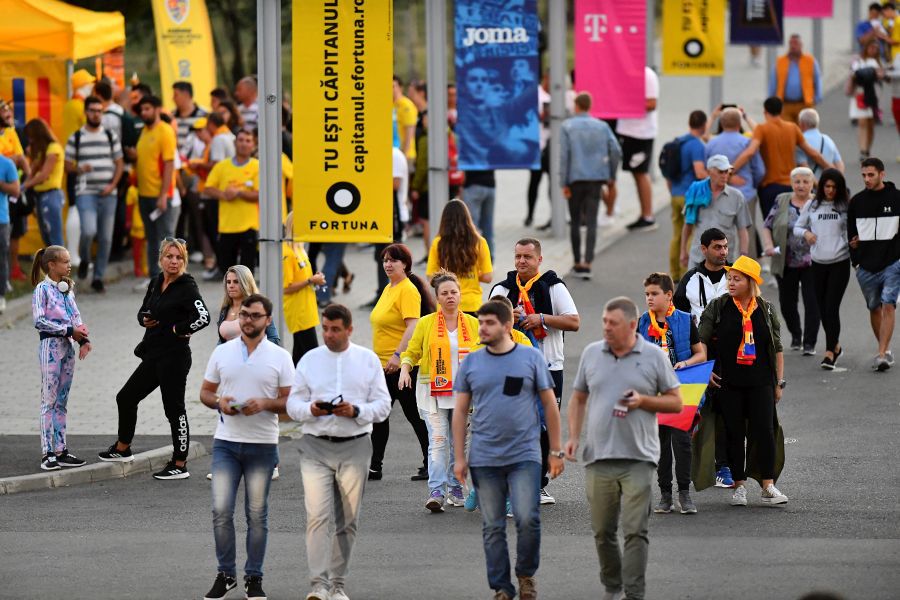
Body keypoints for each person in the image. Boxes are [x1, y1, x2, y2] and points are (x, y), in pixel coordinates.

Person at [564, 297, 682, 600]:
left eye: (612, 323)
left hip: (639, 458)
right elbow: (578, 398)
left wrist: (644, 401)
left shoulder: (654, 356)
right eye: (604, 321)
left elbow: (676, 402)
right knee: (603, 532)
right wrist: (574, 436)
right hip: (599, 457)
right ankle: (612, 585)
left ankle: (633, 593)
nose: (606, 328)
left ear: (632, 325)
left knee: (635, 530)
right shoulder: (592, 354)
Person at [452, 299, 564, 600]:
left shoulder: (530, 358)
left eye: (489, 323)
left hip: (525, 456)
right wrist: (459, 458)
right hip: (484, 457)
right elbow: (460, 411)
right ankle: (502, 586)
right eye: (480, 322)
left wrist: (555, 450)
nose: (482, 328)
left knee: (528, 519)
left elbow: (550, 405)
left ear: (506, 325)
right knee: (493, 526)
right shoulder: (471, 362)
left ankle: (526, 574)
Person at [287, 303, 392, 600]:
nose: (329, 335)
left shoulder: (367, 360)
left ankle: (338, 585)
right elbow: (293, 406)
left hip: (355, 445)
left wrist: (356, 410)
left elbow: (383, 407)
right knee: (317, 516)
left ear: (349, 329)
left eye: (335, 329)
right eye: (325, 328)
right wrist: (311, 409)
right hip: (315, 445)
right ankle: (318, 585)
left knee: (347, 520)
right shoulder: (309, 359)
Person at [199, 294, 293, 600]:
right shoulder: (223, 352)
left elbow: (291, 405)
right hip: (226, 443)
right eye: (244, 315)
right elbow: (205, 393)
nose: (248, 320)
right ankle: (226, 574)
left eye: (255, 316)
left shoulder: (279, 356)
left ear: (267, 320)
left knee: (256, 514)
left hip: (263, 446)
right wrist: (219, 402)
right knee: (221, 510)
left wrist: (266, 403)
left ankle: (254, 577)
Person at [99, 238, 210, 479]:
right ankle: (123, 447)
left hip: (175, 357)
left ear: (184, 260)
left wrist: (178, 329)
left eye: (179, 257)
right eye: (169, 256)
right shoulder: (156, 282)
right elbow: (143, 309)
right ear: (160, 259)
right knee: (126, 397)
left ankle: (180, 463)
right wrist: (144, 319)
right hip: (153, 354)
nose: (174, 261)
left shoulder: (187, 286)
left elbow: (203, 317)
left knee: (174, 409)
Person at [490, 238, 580, 504]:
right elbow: (488, 324)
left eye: (527, 257)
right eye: (518, 256)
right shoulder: (502, 289)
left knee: (543, 426)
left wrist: (541, 318)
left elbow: (574, 322)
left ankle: (537, 484)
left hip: (549, 366)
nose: (521, 261)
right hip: (509, 367)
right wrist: (510, 318)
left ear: (539, 259)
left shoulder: (554, 286)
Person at [697, 256, 788, 507]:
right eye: (729, 278)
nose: (731, 282)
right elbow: (702, 339)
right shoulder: (719, 307)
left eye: (737, 278)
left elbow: (777, 347)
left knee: (765, 432)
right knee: (734, 434)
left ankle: (768, 485)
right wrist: (705, 371)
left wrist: (779, 382)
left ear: (750, 282)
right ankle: (739, 486)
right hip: (729, 382)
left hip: (761, 381)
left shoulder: (766, 309)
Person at [399, 271, 480, 511]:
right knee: (438, 440)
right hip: (432, 391)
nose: (450, 297)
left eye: (453, 292)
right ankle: (436, 491)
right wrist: (405, 369)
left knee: (459, 443)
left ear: (460, 295)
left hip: (464, 394)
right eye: (444, 293)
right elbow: (412, 351)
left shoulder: (474, 324)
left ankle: (456, 487)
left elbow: (487, 352)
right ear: (437, 298)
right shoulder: (427, 323)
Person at [673, 228, 735, 488]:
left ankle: (724, 467)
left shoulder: (735, 276)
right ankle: (688, 470)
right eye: (717, 247)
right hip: (697, 354)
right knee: (691, 413)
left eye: (725, 247)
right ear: (704, 249)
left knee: (725, 412)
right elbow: (678, 321)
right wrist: (691, 361)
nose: (723, 252)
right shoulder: (690, 279)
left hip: (730, 354)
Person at [639, 273, 705, 515]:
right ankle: (665, 493)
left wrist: (686, 364)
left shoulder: (685, 320)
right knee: (660, 444)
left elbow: (701, 354)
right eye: (647, 294)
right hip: (654, 391)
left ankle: (684, 493)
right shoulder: (643, 322)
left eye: (654, 294)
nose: (649, 299)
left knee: (682, 441)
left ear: (668, 295)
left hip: (681, 389)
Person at [368, 243, 432, 481]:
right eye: (385, 260)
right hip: (383, 366)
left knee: (414, 415)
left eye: (393, 260)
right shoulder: (390, 288)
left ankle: (431, 463)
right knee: (380, 415)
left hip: (401, 366)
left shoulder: (407, 290)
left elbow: (413, 325)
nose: (387, 264)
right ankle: (375, 467)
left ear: (405, 264)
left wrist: (397, 356)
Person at [31, 245, 91, 471]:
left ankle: (61, 449)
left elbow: (75, 316)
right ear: (51, 265)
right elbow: (39, 320)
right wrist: (67, 331)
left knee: (62, 401)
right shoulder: (42, 289)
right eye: (65, 262)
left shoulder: (67, 289)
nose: (69, 265)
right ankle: (47, 453)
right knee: (49, 400)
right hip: (51, 347)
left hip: (68, 348)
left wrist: (83, 339)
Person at [730, 97, 830, 223]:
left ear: (765, 112)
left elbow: (750, 152)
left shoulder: (762, 129)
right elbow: (812, 153)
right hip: (789, 186)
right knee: (789, 226)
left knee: (771, 226)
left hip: (769, 187)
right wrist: (830, 168)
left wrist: (730, 170)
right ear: (781, 110)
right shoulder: (792, 128)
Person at [64, 96, 124, 293]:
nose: (96, 114)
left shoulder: (110, 135)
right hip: (86, 192)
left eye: (99, 111)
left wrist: (113, 184)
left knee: (106, 237)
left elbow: (119, 163)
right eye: (92, 110)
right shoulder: (77, 137)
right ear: (86, 112)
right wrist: (79, 168)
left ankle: (98, 277)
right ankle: (85, 258)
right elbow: (67, 165)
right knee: (88, 231)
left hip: (108, 192)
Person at [793, 169, 852, 369]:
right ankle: (835, 345)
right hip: (817, 262)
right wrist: (807, 234)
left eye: (834, 187)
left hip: (839, 261)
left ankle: (829, 353)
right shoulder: (813, 205)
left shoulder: (845, 206)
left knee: (831, 307)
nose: (830, 190)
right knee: (822, 307)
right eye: (827, 186)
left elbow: (855, 229)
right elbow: (797, 227)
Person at [559, 92, 621, 279]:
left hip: (575, 178)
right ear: (590, 105)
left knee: (576, 221)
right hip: (596, 178)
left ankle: (577, 261)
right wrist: (611, 174)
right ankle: (588, 262)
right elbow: (616, 149)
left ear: (577, 105)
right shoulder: (602, 126)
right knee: (592, 220)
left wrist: (564, 181)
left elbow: (564, 155)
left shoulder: (567, 126)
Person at [847, 157, 900, 372]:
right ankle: (884, 349)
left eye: (871, 175)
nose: (867, 179)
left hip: (892, 263)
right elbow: (851, 233)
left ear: (882, 174)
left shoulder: (897, 198)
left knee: (889, 303)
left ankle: (881, 354)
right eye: (864, 175)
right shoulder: (857, 202)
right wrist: (856, 263)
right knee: (874, 307)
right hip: (866, 267)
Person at [761, 167, 819, 355]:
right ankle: (796, 335)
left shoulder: (819, 203)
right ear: (791, 183)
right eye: (797, 182)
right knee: (787, 303)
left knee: (813, 302)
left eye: (805, 181)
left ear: (812, 183)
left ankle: (809, 343)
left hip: (813, 261)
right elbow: (767, 225)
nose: (801, 185)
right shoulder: (782, 200)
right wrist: (769, 245)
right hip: (786, 261)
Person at [706, 107, 765, 256]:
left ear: (722, 123)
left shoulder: (712, 144)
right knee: (747, 232)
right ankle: (748, 272)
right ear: (739, 124)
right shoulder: (747, 142)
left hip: (719, 193)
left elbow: (707, 170)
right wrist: (752, 184)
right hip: (746, 193)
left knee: (719, 232)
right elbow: (760, 171)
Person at [134, 95, 178, 282]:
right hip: (144, 194)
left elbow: (169, 164)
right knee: (152, 239)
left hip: (160, 194)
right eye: (142, 109)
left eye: (148, 109)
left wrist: (163, 195)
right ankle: (155, 277)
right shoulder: (144, 131)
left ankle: (172, 278)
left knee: (166, 240)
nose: (144, 113)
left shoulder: (165, 131)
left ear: (157, 109)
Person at [680, 155, 751, 271]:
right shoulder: (696, 192)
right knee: (693, 289)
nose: (725, 175)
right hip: (698, 258)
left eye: (726, 172)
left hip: (724, 261)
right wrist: (683, 250)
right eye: (720, 172)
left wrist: (744, 255)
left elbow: (742, 229)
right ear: (709, 172)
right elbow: (688, 224)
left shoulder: (736, 196)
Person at [203, 129, 259, 271]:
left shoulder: (257, 166)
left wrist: (238, 193)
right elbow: (208, 188)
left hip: (249, 226)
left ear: (253, 144)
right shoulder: (222, 166)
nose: (244, 144)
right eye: (240, 140)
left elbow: (259, 195)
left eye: (248, 141)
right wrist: (224, 195)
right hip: (227, 226)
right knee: (228, 274)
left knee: (247, 275)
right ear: (235, 142)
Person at [426, 199, 492, 314]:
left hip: (446, 305)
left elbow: (431, 277)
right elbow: (488, 277)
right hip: (472, 304)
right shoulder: (480, 242)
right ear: (467, 218)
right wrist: (474, 274)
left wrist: (447, 276)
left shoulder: (438, 243)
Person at [667, 110, 708, 281]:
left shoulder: (678, 142)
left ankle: (674, 273)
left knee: (676, 234)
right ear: (704, 125)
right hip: (689, 196)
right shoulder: (696, 145)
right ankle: (686, 273)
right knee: (689, 233)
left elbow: (668, 173)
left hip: (675, 193)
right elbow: (699, 172)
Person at [619, 66, 660, 232]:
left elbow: (651, 103)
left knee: (641, 172)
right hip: (626, 129)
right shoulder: (623, 72)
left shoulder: (647, 74)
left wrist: (625, 101)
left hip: (641, 132)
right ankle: (644, 213)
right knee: (635, 173)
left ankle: (648, 215)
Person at [282, 212, 324, 364]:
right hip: (298, 311)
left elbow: (304, 278)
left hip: (307, 308)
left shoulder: (300, 249)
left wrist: (314, 280)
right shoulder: (287, 253)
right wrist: (310, 280)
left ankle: (292, 383)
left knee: (300, 354)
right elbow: (286, 287)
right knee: (312, 354)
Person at [0, 98, 31, 283]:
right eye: (3, 109)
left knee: (15, 232)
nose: (8, 112)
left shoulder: (12, 132)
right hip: (5, 190)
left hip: (13, 189)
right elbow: (14, 159)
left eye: (8, 109)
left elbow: (20, 158)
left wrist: (26, 181)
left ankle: (13, 270)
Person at [22, 118, 65, 247]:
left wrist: (24, 186)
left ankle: (60, 266)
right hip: (40, 196)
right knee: (46, 237)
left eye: (31, 137)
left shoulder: (54, 148)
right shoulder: (42, 151)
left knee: (54, 237)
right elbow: (32, 172)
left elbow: (44, 175)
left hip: (51, 195)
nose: (30, 140)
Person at [769, 34, 822, 124]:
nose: (793, 46)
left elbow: (817, 80)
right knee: (786, 131)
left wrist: (817, 98)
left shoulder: (810, 61)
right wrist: (771, 102)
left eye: (796, 43)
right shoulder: (780, 62)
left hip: (805, 104)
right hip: (785, 105)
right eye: (791, 43)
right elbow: (773, 83)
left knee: (804, 132)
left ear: (801, 45)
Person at [847, 40, 886, 162]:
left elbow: (882, 76)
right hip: (860, 94)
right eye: (871, 47)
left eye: (876, 48)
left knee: (870, 124)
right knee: (862, 122)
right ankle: (863, 151)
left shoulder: (877, 62)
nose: (873, 50)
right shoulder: (858, 60)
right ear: (866, 48)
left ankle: (867, 148)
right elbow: (852, 74)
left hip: (873, 95)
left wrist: (878, 74)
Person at [795, 109, 844, 176]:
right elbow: (839, 164)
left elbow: (805, 169)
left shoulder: (800, 142)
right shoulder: (828, 139)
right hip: (829, 184)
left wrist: (818, 185)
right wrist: (837, 181)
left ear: (801, 124)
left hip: (811, 185)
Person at [462, 168, 497, 257]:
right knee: (487, 225)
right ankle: (489, 258)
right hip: (490, 185)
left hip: (473, 184)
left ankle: (473, 258)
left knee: (471, 226)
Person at [0, 148, 18, 314]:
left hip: (1, 219)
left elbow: (15, 190)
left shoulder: (6, 164)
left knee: (1, 257)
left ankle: (1, 296)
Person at [172, 81, 208, 154]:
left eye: (176, 95)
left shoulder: (204, 115)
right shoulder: (171, 116)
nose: (173, 98)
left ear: (186, 95)